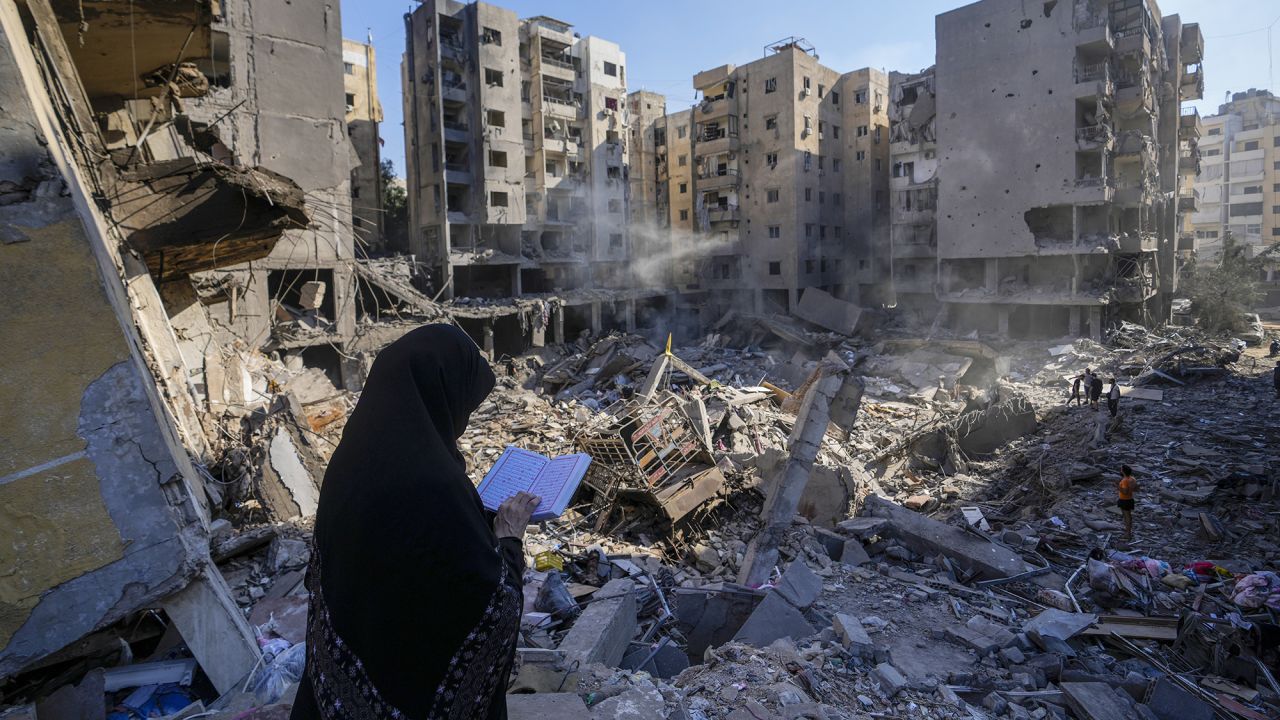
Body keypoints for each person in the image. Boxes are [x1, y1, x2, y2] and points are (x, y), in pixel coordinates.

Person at [292, 324, 538, 720]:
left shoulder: (353, 456)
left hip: (340, 685)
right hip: (406, 692)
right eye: (464, 405)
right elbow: (492, 605)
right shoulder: (433, 481)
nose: (463, 420)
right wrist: (508, 538)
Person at [1117, 465, 1138, 539]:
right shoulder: (1132, 479)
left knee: (1127, 517)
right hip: (1130, 499)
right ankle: (1128, 531)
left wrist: (1118, 487)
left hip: (1124, 500)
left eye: (1121, 469)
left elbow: (1125, 492)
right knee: (1128, 516)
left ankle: (1128, 534)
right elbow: (1136, 488)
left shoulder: (1124, 480)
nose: (1120, 470)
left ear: (1123, 471)